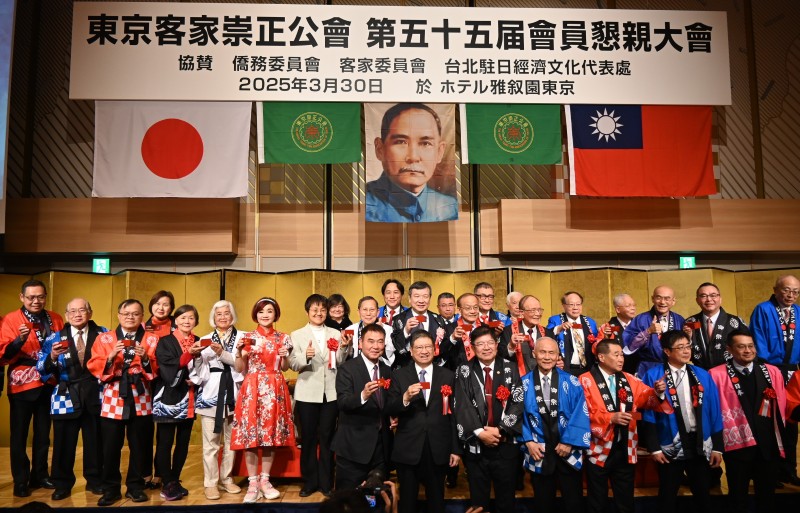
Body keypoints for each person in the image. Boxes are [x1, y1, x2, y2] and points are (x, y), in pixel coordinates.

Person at [580, 339, 667, 513]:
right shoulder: (585, 380)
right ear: (602, 357)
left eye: (622, 354)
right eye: (616, 354)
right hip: (598, 447)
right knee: (597, 499)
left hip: (626, 445)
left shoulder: (629, 379)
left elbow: (646, 398)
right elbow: (581, 415)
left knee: (625, 498)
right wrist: (610, 418)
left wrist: (657, 392)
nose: (621, 358)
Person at [641, 330, 724, 513]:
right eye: (680, 347)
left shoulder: (702, 374)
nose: (687, 351)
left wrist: (717, 446)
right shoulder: (654, 376)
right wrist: (654, 448)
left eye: (688, 346)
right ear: (667, 351)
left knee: (703, 493)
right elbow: (648, 415)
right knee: (668, 494)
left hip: (699, 441)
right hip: (670, 442)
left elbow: (715, 412)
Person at [87, 299, 159, 507]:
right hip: (113, 396)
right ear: (118, 315)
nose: (130, 317)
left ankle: (135, 487)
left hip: (141, 395)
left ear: (142, 317)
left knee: (140, 445)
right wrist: (110, 357)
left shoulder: (152, 339)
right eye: (126, 313)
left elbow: (156, 369)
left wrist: (145, 359)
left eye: (135, 313)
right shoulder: (104, 338)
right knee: (110, 447)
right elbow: (94, 365)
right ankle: (110, 488)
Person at [709, 328, 788, 513]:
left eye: (751, 346)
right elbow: (712, 412)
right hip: (738, 447)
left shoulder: (772, 371)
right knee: (737, 497)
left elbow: (782, 408)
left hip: (767, 445)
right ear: (729, 349)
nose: (748, 351)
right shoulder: (716, 374)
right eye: (741, 347)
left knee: (767, 497)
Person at [36, 298, 106, 500]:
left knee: (95, 441)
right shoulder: (55, 338)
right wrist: (53, 358)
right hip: (65, 395)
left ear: (90, 313)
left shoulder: (103, 334)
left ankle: (95, 480)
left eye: (82, 310)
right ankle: (62, 483)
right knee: (63, 443)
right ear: (66, 315)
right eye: (72, 311)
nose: (77, 314)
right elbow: (41, 367)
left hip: (96, 394)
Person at [0, 279, 64, 497]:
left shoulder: (54, 318)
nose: (36, 301)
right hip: (22, 382)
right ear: (22, 297)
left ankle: (40, 475)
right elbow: (5, 355)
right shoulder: (10, 319)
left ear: (46, 296)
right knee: (19, 435)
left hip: (48, 381)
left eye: (40, 297)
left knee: (43, 433)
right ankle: (20, 479)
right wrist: (19, 340)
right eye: (31, 297)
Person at [386, 331, 461, 513]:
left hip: (438, 448)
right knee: (407, 502)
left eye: (428, 346)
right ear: (411, 351)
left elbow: (455, 415)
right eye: (419, 347)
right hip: (408, 448)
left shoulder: (448, 376)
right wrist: (405, 397)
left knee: (436, 500)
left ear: (435, 350)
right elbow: (389, 407)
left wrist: (455, 449)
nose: (424, 351)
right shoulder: (399, 375)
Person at [231, 297, 295, 503]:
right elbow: (240, 368)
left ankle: (265, 480)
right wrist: (241, 353)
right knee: (251, 435)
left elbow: (284, 368)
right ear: (255, 314)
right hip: (253, 387)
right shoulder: (246, 337)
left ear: (276, 314)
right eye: (261, 311)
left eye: (269, 311)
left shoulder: (283, 338)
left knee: (269, 435)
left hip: (275, 385)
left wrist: (285, 356)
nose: (265, 315)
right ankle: (252, 482)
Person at [454, 326, 523, 513]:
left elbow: (518, 401)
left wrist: (500, 430)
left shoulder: (511, 368)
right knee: (478, 501)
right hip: (476, 446)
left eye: (490, 343)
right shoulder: (464, 370)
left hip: (505, 443)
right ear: (473, 347)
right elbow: (461, 403)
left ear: (497, 344)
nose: (486, 348)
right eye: (480, 344)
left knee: (506, 500)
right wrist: (479, 432)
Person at [288, 294, 350, 497]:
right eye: (314, 310)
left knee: (327, 438)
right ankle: (310, 481)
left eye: (323, 309)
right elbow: (293, 364)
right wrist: (305, 356)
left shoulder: (335, 332)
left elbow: (339, 361)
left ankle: (326, 482)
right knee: (308, 439)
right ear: (307, 312)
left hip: (330, 393)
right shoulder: (296, 335)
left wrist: (344, 347)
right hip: (307, 393)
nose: (319, 313)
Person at [520, 337, 590, 513]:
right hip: (538, 449)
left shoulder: (572, 382)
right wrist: (528, 441)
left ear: (558, 356)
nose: (547, 357)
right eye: (542, 352)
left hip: (567, 448)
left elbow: (581, 413)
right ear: (534, 353)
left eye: (552, 353)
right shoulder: (523, 383)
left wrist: (568, 442)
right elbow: (517, 416)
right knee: (543, 502)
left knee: (573, 501)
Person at [366, 102, 457, 223]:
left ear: (439, 152)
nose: (413, 157)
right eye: (401, 142)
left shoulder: (449, 207)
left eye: (425, 143)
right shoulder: (366, 205)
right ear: (380, 149)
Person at [190, 300, 244, 500]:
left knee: (231, 441)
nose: (223, 317)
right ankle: (210, 483)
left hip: (234, 391)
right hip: (211, 390)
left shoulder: (243, 337)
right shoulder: (204, 339)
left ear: (233, 316)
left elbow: (242, 366)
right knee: (211, 443)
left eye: (226, 313)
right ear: (213, 317)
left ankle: (227, 478)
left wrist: (222, 353)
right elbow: (199, 373)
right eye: (218, 314)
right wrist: (195, 357)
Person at [749, 274, 800, 485]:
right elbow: (758, 340)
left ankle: (789, 469)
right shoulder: (763, 309)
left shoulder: (798, 312)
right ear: (776, 289)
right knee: (769, 422)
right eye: (786, 290)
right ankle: (768, 472)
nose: (791, 295)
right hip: (769, 370)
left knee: (791, 422)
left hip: (793, 373)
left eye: (795, 291)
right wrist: (768, 369)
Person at [151, 304, 203, 501]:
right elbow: (166, 367)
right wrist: (189, 356)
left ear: (196, 321)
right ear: (175, 321)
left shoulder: (199, 341)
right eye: (182, 318)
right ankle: (167, 481)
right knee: (164, 442)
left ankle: (175, 478)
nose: (186, 321)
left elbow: (204, 367)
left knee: (183, 441)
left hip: (190, 397)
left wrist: (198, 379)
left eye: (191, 318)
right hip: (168, 398)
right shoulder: (165, 341)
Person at [333, 323, 394, 490]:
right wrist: (363, 395)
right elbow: (343, 403)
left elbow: (386, 404)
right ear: (360, 343)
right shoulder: (347, 369)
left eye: (380, 342)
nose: (376, 346)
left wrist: (393, 416)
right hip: (353, 447)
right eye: (371, 341)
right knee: (348, 501)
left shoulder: (387, 370)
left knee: (377, 500)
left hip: (381, 448)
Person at [142, 289, 176, 490]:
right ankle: (144, 472)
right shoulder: (141, 326)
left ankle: (162, 473)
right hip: (146, 382)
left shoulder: (176, 326)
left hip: (169, 383)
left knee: (164, 433)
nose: (161, 308)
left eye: (166, 304)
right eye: (157, 303)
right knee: (144, 430)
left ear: (171, 308)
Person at [623, 286, 685, 377]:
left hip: (674, 367)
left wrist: (689, 336)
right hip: (647, 368)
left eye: (667, 298)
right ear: (652, 299)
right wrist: (648, 331)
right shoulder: (641, 319)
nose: (662, 302)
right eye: (658, 298)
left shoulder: (679, 319)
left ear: (673, 301)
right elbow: (628, 348)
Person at [684, 282, 747, 369]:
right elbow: (684, 353)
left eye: (713, 295)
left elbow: (748, 350)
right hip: (702, 373)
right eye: (703, 296)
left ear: (720, 299)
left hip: (731, 373)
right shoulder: (690, 322)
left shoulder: (735, 322)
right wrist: (688, 338)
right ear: (697, 300)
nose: (709, 299)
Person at [390, 281, 450, 369]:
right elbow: (396, 346)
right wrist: (406, 331)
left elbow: (444, 348)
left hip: (433, 369)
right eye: (417, 296)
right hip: (407, 369)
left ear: (430, 298)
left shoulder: (438, 319)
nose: (421, 300)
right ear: (410, 299)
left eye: (425, 296)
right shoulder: (399, 319)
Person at [499, 294, 554, 376]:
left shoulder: (548, 333)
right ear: (521, 313)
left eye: (539, 310)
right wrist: (511, 346)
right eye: (533, 310)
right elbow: (501, 358)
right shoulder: (508, 331)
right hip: (518, 380)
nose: (537, 314)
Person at [547, 291, 599, 376]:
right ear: (563, 306)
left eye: (578, 304)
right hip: (566, 368)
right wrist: (559, 328)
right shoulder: (555, 320)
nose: (575, 308)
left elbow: (597, 343)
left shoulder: (590, 322)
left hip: (588, 368)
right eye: (571, 305)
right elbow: (546, 335)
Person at [344, 296, 395, 367]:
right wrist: (349, 345)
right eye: (365, 309)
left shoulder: (388, 329)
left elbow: (390, 354)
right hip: (356, 369)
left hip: (379, 369)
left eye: (372, 310)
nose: (368, 313)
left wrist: (380, 334)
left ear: (377, 312)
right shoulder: (350, 329)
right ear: (359, 312)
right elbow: (345, 356)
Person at [609, 293, 637, 374]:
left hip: (638, 368)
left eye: (634, 305)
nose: (633, 308)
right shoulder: (609, 327)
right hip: (620, 370)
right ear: (618, 309)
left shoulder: (639, 324)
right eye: (628, 306)